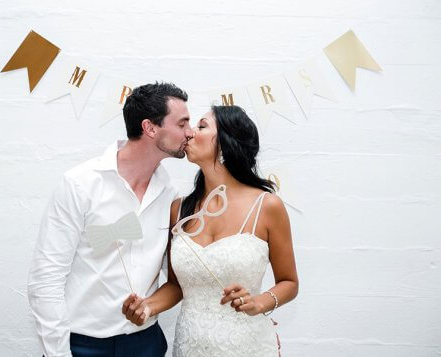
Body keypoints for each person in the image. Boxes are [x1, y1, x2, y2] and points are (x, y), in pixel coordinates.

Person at [27, 82, 194, 357]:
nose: (189, 133)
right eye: (182, 123)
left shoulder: (170, 194)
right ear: (150, 128)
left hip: (146, 343)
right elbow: (46, 279)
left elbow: (178, 277)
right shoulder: (79, 184)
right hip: (83, 345)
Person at [122, 105, 299, 356]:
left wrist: (258, 303)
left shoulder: (267, 206)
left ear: (226, 143)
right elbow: (176, 285)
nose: (190, 133)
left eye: (201, 126)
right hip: (190, 345)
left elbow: (289, 282)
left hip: (247, 346)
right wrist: (148, 307)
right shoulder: (179, 209)